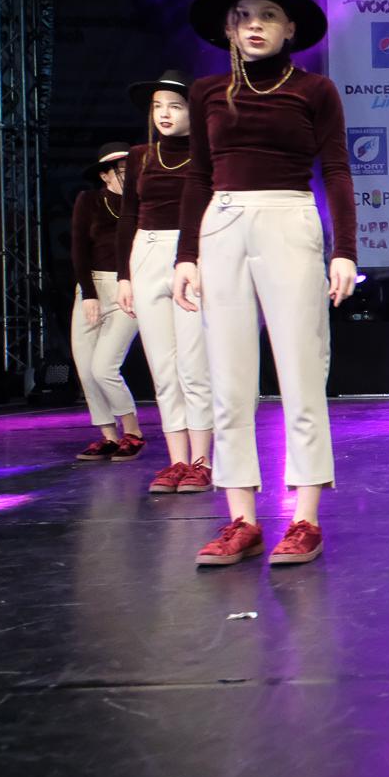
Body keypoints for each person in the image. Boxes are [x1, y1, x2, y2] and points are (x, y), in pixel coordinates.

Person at [174, 0, 357, 567]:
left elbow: (336, 170)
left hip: (289, 218)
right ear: (229, 29)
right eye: (244, 16)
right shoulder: (206, 92)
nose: (255, 25)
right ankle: (242, 519)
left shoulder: (315, 90)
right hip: (222, 222)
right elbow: (198, 176)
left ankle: (306, 519)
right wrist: (186, 255)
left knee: (301, 371)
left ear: (290, 29)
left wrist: (345, 249)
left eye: (268, 16)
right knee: (228, 378)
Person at [117, 68, 214, 493]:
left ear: (194, 111)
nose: (164, 114)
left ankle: (202, 461)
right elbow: (128, 216)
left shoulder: (206, 155)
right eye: (158, 107)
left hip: (191, 253)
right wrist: (124, 276)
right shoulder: (141, 155)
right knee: (163, 367)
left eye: (175, 106)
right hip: (146, 252)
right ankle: (177, 461)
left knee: (193, 365)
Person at [69, 144, 146, 463]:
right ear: (105, 175)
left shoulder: (143, 203)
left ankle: (133, 432)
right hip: (93, 286)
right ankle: (109, 436)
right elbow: (79, 249)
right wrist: (88, 294)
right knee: (87, 368)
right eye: (123, 170)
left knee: (104, 367)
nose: (130, 175)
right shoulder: (89, 201)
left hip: (129, 287)